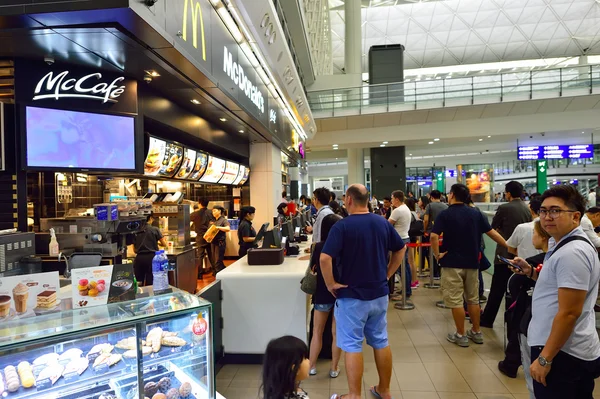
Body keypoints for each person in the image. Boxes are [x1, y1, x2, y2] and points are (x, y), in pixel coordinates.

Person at [510, 185, 600, 398]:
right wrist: (531, 272)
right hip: (559, 347)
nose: (547, 217)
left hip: (563, 353)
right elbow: (559, 286)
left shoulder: (572, 253)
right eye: (543, 211)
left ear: (576, 217)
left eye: (555, 211)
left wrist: (545, 358)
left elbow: (569, 312)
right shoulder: (562, 244)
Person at [321, 184, 406, 399]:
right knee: (380, 340)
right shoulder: (382, 223)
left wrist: (330, 284)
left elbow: (324, 258)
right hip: (379, 294)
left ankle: (353, 395)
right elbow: (401, 248)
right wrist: (387, 274)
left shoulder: (342, 226)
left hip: (352, 296)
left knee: (352, 345)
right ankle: (384, 390)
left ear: (348, 199)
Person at [430, 184, 507, 347]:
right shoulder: (475, 214)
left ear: (451, 195)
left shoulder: (445, 214)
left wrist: (437, 254)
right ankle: (476, 332)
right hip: (473, 263)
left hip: (451, 263)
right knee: (473, 299)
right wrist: (509, 246)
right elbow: (492, 233)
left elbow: (434, 236)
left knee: (456, 300)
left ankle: (461, 334)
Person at [498, 220, 549, 394]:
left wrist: (545, 359)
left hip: (539, 332)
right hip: (539, 330)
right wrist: (531, 272)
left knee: (536, 385)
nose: (531, 235)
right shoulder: (545, 260)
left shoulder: (554, 259)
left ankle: (511, 363)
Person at [481, 181, 532, 328]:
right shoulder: (527, 208)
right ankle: (513, 320)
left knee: (497, 289)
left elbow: (492, 228)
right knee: (516, 290)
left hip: (505, 254)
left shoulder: (504, 208)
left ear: (508, 193)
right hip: (521, 256)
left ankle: (487, 320)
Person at [308, 214, 343, 379]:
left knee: (317, 332)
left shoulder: (319, 247)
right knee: (336, 333)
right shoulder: (345, 246)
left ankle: (312, 366)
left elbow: (314, 268)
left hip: (322, 293)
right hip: (341, 294)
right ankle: (334, 368)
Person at [388, 190, 413, 299]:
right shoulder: (406, 208)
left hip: (399, 240)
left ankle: (406, 293)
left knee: (400, 267)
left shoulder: (397, 211)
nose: (391, 201)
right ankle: (406, 290)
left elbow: (387, 224)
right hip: (405, 238)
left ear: (397, 199)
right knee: (405, 267)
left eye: (392, 198)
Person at [133, 213, 168, 285]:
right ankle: (150, 295)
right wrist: (157, 243)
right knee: (151, 281)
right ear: (150, 218)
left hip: (139, 258)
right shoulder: (154, 229)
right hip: (152, 258)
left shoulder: (136, 231)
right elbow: (164, 244)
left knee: (139, 282)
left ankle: (140, 295)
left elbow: (134, 250)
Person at [423, 190, 448, 279]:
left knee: (431, 252)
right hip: (444, 233)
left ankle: (434, 273)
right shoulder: (446, 206)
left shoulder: (429, 206)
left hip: (432, 231)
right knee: (442, 251)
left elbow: (426, 219)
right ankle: (441, 271)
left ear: (431, 197)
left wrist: (425, 230)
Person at [190, 198, 214, 278]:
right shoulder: (211, 213)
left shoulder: (195, 214)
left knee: (200, 255)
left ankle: (199, 275)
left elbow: (186, 220)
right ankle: (215, 271)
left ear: (199, 203)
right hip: (210, 236)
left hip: (200, 237)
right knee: (211, 254)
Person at [209, 206, 230, 275]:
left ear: (219, 211)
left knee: (218, 261)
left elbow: (228, 228)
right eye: (212, 211)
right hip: (213, 242)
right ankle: (223, 272)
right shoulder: (213, 221)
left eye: (215, 211)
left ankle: (218, 276)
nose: (213, 212)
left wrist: (218, 227)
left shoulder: (223, 220)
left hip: (220, 243)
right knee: (215, 260)